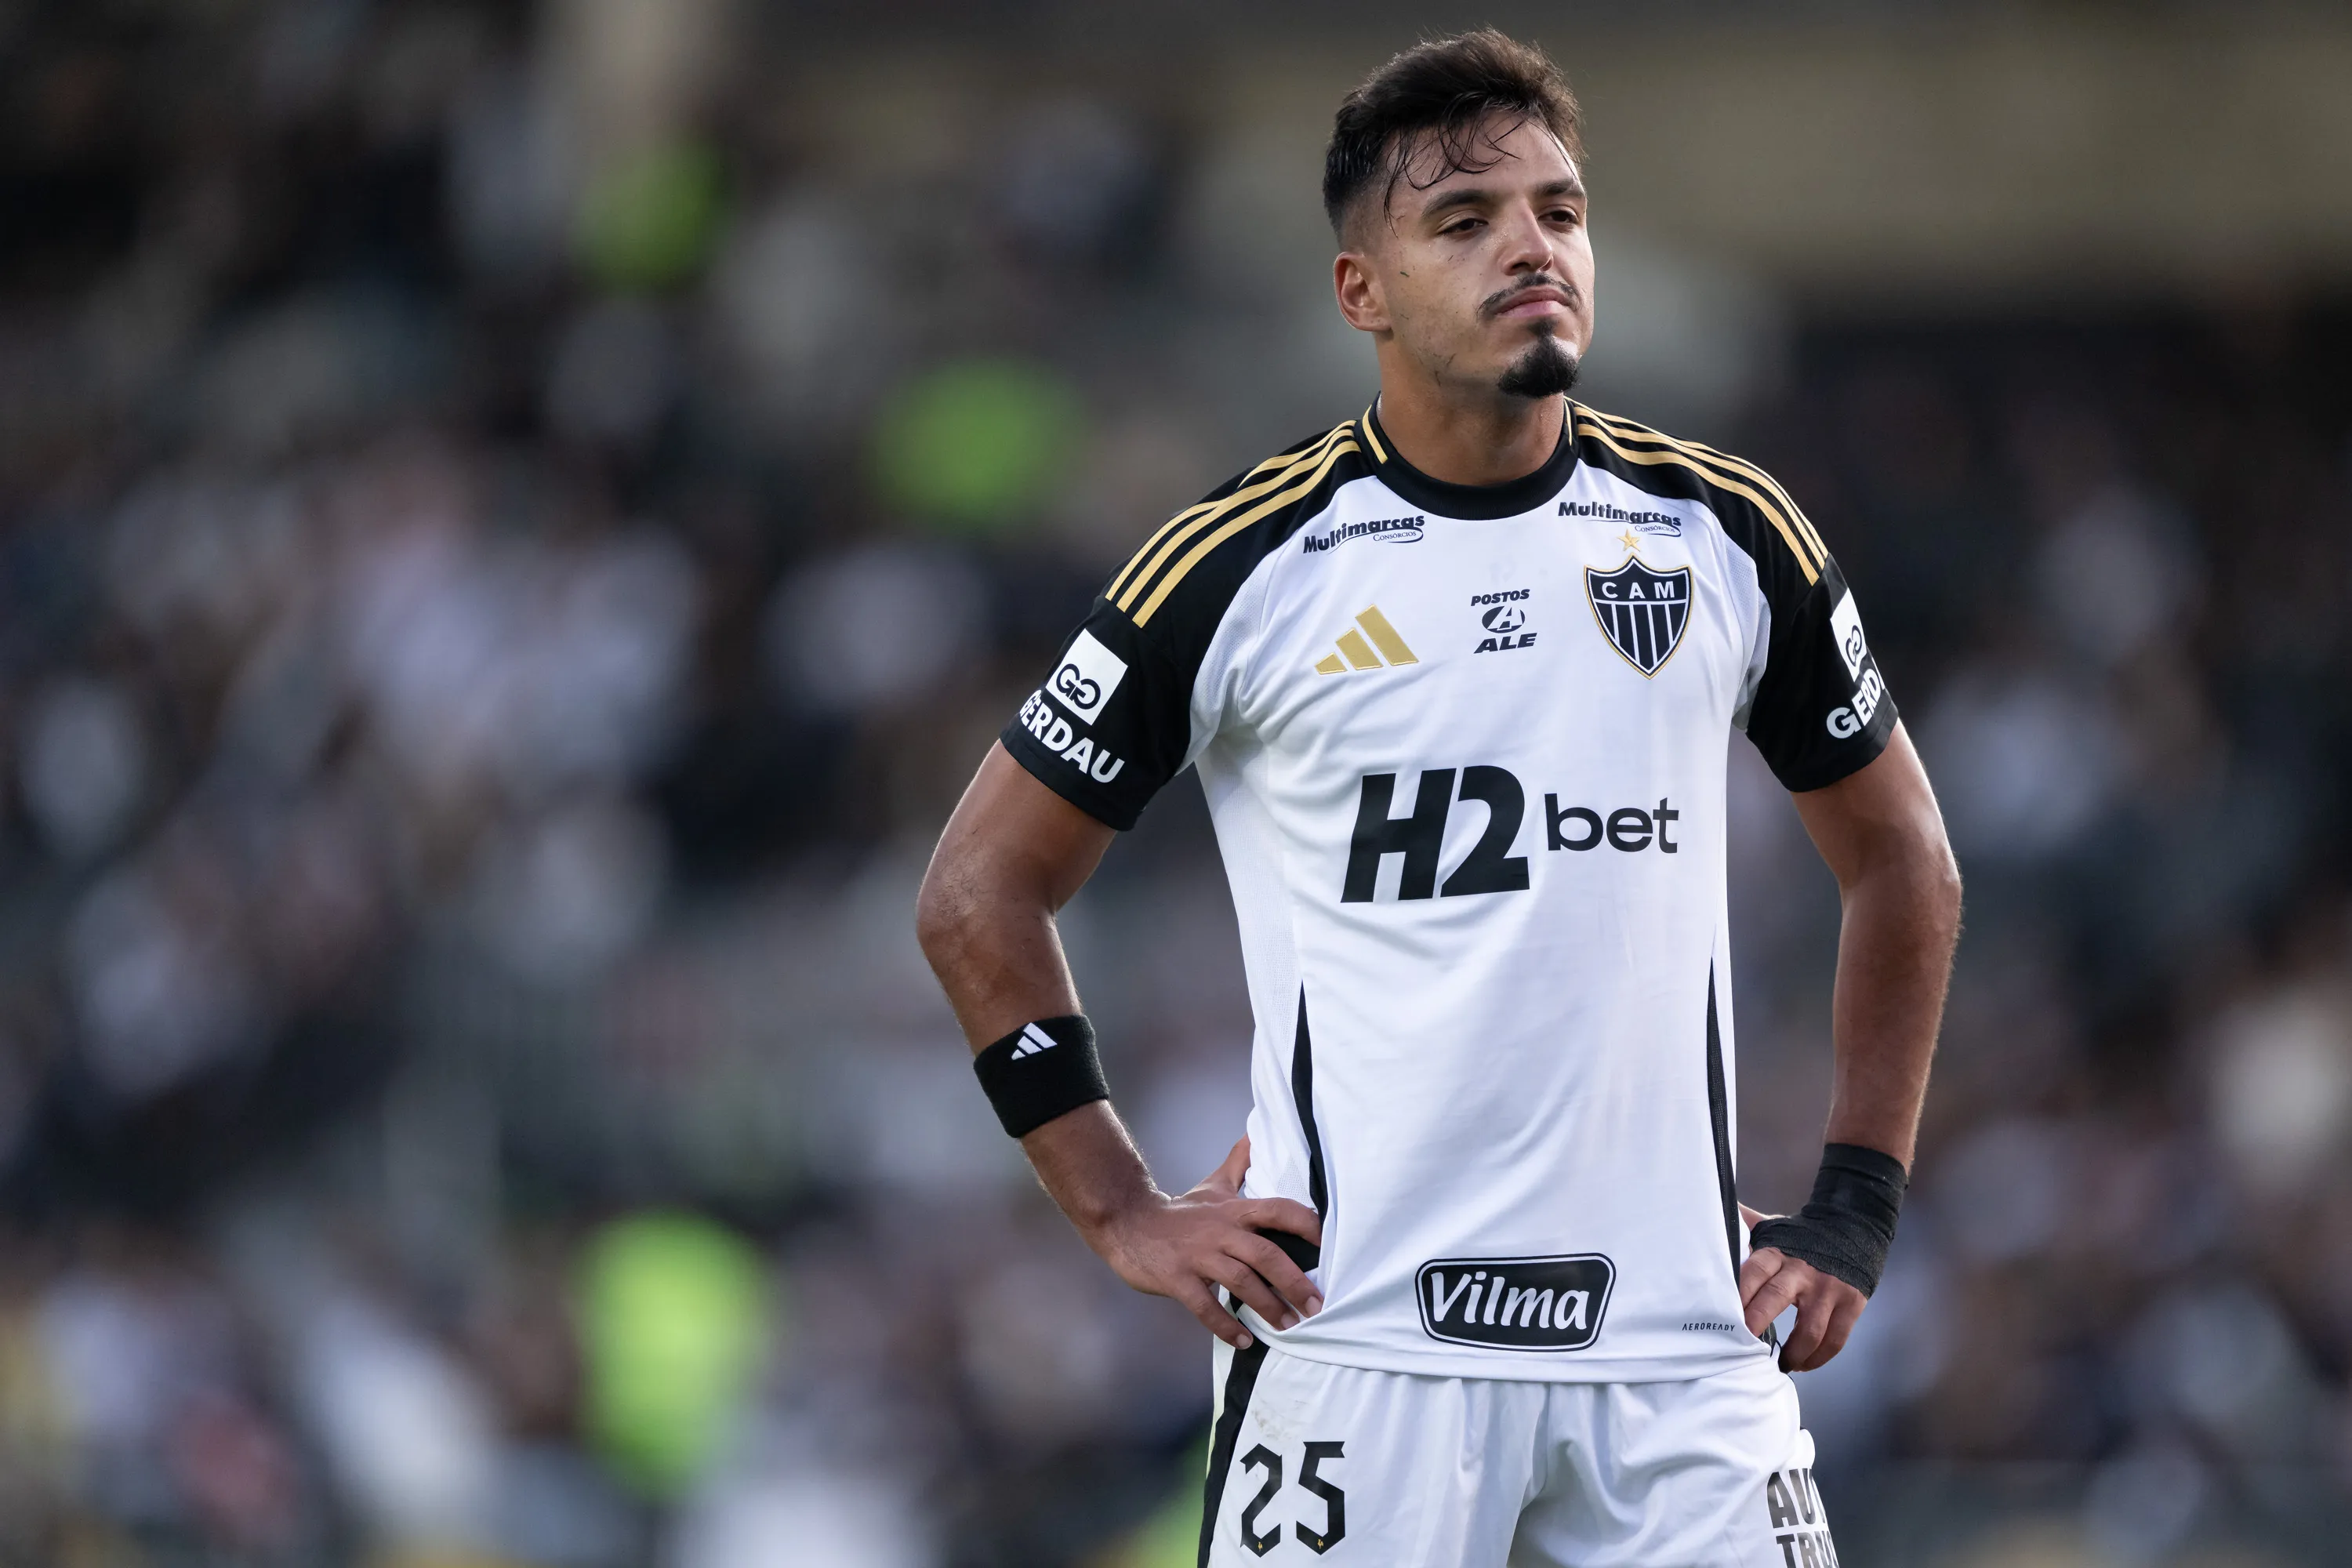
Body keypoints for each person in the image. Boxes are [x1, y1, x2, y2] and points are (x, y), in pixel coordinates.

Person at [916, 29, 1960, 1566]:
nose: (1531, 248)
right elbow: (976, 894)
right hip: (1360, 1347)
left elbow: (1906, 862)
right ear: (1364, 291)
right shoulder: (1245, 563)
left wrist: (1856, 1206)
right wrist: (1121, 1207)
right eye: (1465, 221)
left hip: (1679, 1354)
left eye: (1559, 211)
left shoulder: (1724, 532)